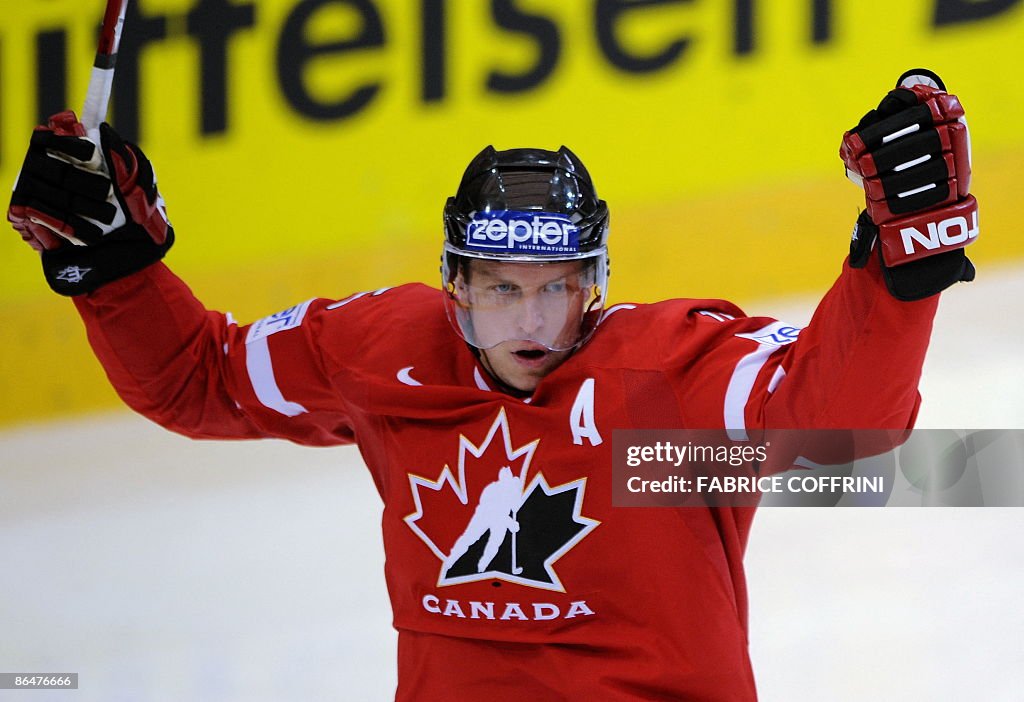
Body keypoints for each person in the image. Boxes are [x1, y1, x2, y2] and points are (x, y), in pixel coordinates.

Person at [7, 69, 977, 700]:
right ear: (455, 283)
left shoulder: (661, 387)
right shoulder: (385, 355)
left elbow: (842, 431)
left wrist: (901, 263)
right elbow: (196, 382)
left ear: (595, 281)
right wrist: (117, 269)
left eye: (560, 288)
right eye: (502, 289)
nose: (533, 321)